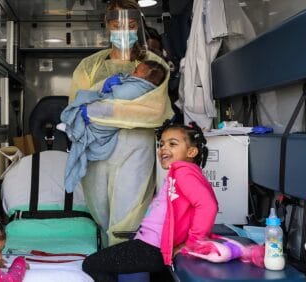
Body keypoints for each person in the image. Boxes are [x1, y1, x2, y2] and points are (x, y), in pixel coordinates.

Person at [69, 0, 174, 247]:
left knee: (129, 221)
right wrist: (118, 110)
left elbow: (154, 110)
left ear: (138, 26)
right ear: (107, 26)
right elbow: (76, 107)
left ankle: (130, 269)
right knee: (104, 217)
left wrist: (98, 108)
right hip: (97, 150)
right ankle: (108, 266)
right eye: (116, 24)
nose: (123, 30)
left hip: (136, 149)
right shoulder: (90, 66)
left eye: (130, 24)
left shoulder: (153, 64)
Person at [81, 121, 218, 281]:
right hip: (151, 244)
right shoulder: (182, 173)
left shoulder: (184, 173)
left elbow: (208, 205)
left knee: (92, 264)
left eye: (172, 144)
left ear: (191, 152)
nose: (163, 148)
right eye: (161, 144)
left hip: (152, 248)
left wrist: (192, 243)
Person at [61, 60, 167, 193]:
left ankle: (75, 128)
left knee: (90, 124)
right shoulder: (141, 87)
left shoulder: (140, 89)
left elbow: (120, 97)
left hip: (123, 137)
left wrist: (113, 88)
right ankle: (75, 127)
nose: (131, 73)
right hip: (114, 128)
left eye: (135, 71)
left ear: (145, 78)